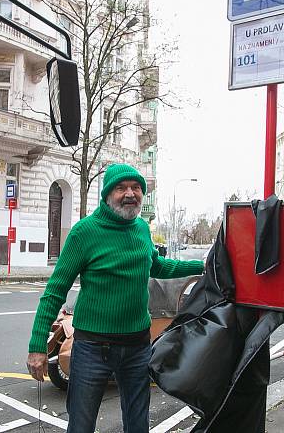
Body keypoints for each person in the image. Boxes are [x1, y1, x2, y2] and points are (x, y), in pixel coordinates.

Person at [26, 163, 204, 433]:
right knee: (81, 426)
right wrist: (37, 345)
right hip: (92, 349)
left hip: (137, 347)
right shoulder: (84, 232)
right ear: (108, 195)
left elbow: (156, 266)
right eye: (121, 188)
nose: (130, 193)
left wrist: (202, 267)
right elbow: (54, 292)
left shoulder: (142, 229)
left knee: (137, 425)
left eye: (135, 188)